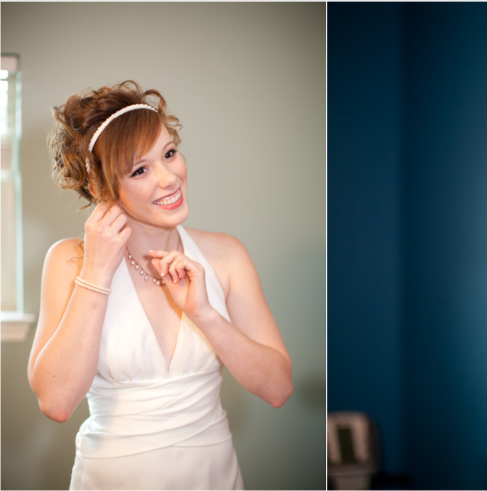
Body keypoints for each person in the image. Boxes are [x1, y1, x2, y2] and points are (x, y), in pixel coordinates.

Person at [28, 81, 293, 490]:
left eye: (169, 153)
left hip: (214, 477)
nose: (170, 178)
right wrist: (97, 273)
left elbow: (278, 388)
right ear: (99, 187)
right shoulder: (69, 262)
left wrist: (205, 316)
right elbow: (57, 403)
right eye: (141, 169)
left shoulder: (226, 255)